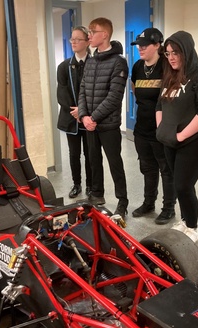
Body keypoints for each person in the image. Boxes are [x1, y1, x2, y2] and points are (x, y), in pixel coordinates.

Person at [156, 31, 198, 242]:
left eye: (176, 53)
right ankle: (184, 220)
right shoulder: (170, 76)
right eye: (168, 53)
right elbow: (159, 104)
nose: (171, 57)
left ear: (187, 52)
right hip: (170, 140)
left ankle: (192, 226)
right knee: (176, 182)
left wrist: (182, 135)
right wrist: (162, 130)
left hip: (194, 141)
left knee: (184, 185)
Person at [78, 17, 129, 219]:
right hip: (90, 124)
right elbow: (82, 90)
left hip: (107, 125)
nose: (89, 35)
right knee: (93, 161)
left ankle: (122, 202)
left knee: (115, 163)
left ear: (105, 35)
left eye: (93, 31)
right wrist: (83, 116)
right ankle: (96, 196)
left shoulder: (118, 62)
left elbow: (115, 96)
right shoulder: (90, 61)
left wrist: (94, 117)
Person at [130, 28, 176, 225]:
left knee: (166, 169)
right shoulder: (138, 67)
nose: (140, 48)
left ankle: (169, 208)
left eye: (145, 45)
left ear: (158, 45)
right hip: (142, 128)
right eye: (138, 45)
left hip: (162, 129)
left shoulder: (167, 66)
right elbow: (135, 91)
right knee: (147, 168)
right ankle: (149, 202)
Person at [57, 26, 92, 199]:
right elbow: (62, 93)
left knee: (90, 153)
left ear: (87, 42)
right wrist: (75, 111)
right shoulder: (64, 66)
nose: (74, 42)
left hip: (90, 116)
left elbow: (97, 92)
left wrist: (83, 111)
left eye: (78, 39)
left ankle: (92, 186)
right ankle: (77, 183)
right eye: (72, 39)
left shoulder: (94, 64)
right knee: (74, 153)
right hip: (71, 117)